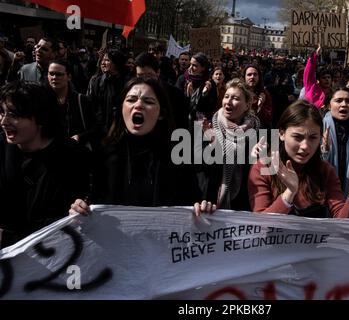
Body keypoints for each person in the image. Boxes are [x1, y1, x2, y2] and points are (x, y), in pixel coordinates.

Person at [69, 77, 203, 214]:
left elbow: (193, 201)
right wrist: (80, 208)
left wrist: (203, 208)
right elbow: (91, 199)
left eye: (148, 101)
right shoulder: (103, 155)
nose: (138, 105)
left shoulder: (178, 156)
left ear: (161, 114)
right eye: (131, 100)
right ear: (122, 108)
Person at [248, 100, 349, 218]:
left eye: (313, 138)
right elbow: (261, 227)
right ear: (281, 133)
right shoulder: (263, 168)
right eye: (297, 137)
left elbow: (345, 226)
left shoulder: (325, 170)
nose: (305, 146)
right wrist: (289, 193)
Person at [0, 81, 91, 248]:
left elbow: (69, 220)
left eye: (14, 115)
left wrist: (79, 211)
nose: (4, 121)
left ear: (40, 117)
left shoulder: (74, 158)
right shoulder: (2, 147)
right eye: (2, 112)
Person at [199, 78, 260, 210]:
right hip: (210, 203)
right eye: (226, 96)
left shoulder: (256, 132)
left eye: (235, 98)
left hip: (242, 204)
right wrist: (212, 145)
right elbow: (200, 167)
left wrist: (257, 158)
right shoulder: (210, 126)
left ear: (247, 105)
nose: (228, 101)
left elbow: (258, 173)